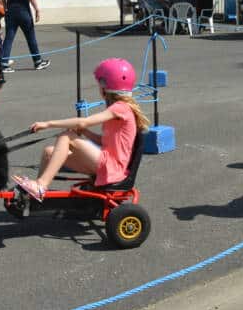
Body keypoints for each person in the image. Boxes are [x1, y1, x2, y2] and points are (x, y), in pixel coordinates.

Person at [12, 58, 150, 202]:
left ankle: (41, 185)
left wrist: (48, 123)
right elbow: (104, 141)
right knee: (49, 152)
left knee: (67, 136)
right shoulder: (120, 108)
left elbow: (85, 121)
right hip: (107, 162)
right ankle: (37, 192)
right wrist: (84, 132)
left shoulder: (120, 108)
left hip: (112, 167)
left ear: (105, 86)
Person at [1, 0, 50, 71]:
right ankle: (37, 62)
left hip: (11, 10)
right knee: (30, 36)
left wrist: (5, 7)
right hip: (23, 10)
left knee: (9, 37)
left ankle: (3, 64)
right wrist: (36, 9)